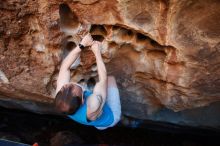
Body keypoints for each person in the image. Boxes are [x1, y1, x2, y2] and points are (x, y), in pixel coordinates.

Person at [54, 34, 121, 130]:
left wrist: (82, 45)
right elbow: (103, 79)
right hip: (110, 118)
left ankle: (98, 115)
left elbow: (65, 67)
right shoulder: (93, 104)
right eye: (79, 88)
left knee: (98, 99)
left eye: (70, 84)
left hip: (96, 121)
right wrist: (97, 52)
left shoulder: (62, 98)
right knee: (110, 79)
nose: (72, 83)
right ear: (82, 100)